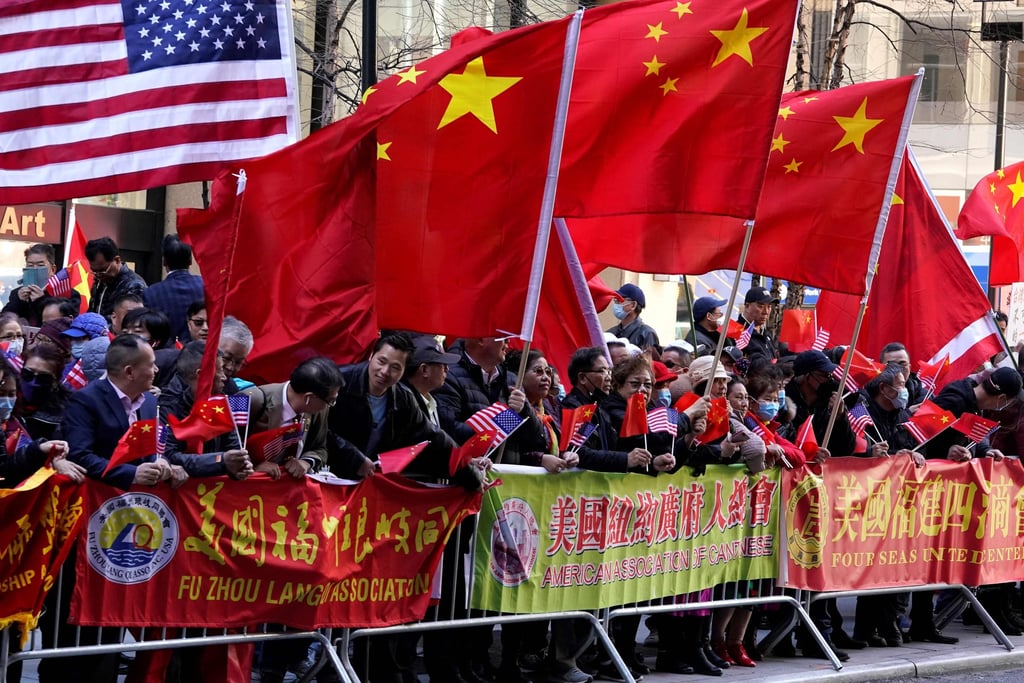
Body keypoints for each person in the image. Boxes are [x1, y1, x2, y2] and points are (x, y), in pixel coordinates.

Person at [159, 341, 252, 480]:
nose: (224, 377)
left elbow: (233, 447)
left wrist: (241, 464)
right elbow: (167, 455)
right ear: (202, 375)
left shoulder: (220, 402)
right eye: (220, 370)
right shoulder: (167, 406)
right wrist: (221, 461)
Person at [243, 357, 342, 480]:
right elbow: (224, 448)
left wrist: (306, 462)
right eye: (331, 401)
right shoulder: (252, 399)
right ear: (308, 397)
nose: (330, 405)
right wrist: (252, 465)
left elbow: (320, 448)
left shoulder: (318, 409)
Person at [143, 234, 205, 343]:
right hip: (202, 351)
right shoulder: (205, 285)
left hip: (166, 355)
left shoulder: (151, 293)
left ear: (164, 261)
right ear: (191, 260)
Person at [3, 244, 79, 326]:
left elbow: (66, 323)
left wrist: (41, 300)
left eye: (40, 265)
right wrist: (19, 301)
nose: (35, 269)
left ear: (52, 269)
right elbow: (4, 320)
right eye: (30, 265)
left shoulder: (66, 293)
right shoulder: (17, 293)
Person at [402, 335, 460, 428]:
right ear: (424, 370)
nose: (447, 369)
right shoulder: (403, 409)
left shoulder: (435, 405)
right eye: (443, 365)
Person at [85, 236, 147, 319]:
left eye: (103, 270)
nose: (98, 275)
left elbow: (130, 321)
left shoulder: (134, 285)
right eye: (94, 271)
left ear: (117, 260)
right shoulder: (99, 282)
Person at [605, 283, 660, 352]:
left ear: (633, 305)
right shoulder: (611, 333)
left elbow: (650, 361)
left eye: (620, 300)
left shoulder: (646, 334)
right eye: (616, 301)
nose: (616, 305)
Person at [737, 286, 779, 360]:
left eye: (769, 307)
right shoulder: (736, 332)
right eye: (761, 306)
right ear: (747, 306)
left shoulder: (765, 333)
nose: (766, 312)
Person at [879, 341, 925, 406]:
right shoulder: (869, 395)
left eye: (902, 363)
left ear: (909, 367)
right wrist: (907, 413)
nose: (897, 369)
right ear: (881, 368)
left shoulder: (925, 397)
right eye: (891, 364)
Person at [220, 316, 255, 393]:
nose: (230, 367)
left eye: (238, 362)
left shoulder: (235, 392)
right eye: (226, 358)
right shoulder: (190, 380)